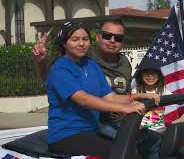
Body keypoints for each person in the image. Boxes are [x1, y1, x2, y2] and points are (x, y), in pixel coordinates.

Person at [43, 22, 159, 158]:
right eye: (75, 39)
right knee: (124, 154)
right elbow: (83, 99)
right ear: (64, 43)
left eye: (85, 39)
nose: (81, 43)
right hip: (66, 134)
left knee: (140, 145)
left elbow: (109, 96)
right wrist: (124, 108)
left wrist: (137, 97)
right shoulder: (60, 68)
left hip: (92, 130)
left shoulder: (90, 64)